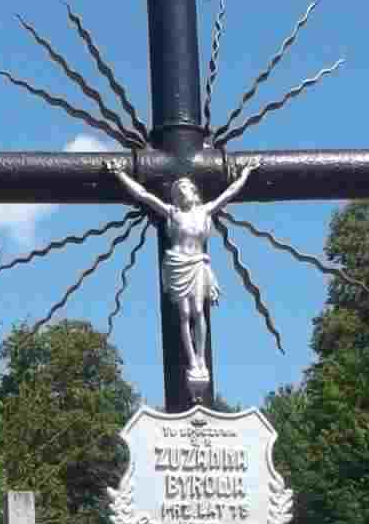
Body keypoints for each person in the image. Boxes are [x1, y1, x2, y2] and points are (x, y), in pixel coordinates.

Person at [104, 157, 258, 382]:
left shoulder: (205, 211)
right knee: (184, 313)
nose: (182, 192)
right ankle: (192, 360)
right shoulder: (172, 213)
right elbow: (142, 195)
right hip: (177, 262)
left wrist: (246, 172)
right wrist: (120, 173)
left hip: (197, 262)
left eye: (185, 188)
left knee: (198, 310)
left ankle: (201, 358)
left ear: (193, 191)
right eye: (178, 190)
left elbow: (230, 193)